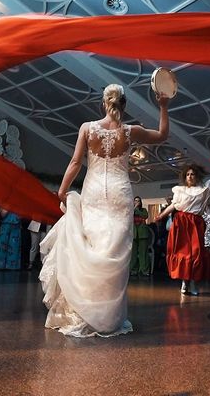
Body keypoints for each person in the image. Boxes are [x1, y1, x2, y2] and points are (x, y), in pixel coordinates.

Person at [39, 84, 169, 337]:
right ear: (124, 105)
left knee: (93, 247)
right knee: (115, 252)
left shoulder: (88, 128)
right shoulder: (132, 131)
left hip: (94, 193)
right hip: (120, 195)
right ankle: (108, 317)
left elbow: (76, 162)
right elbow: (162, 135)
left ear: (103, 103)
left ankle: (85, 310)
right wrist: (163, 106)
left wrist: (62, 190)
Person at [155, 163, 210, 296]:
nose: (190, 176)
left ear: (196, 176)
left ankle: (192, 282)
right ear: (185, 177)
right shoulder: (180, 190)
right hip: (181, 223)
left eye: (192, 174)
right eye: (187, 174)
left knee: (195, 253)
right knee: (183, 253)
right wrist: (161, 215)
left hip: (195, 223)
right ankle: (185, 282)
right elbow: (173, 206)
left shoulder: (205, 188)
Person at [130, 196, 150, 277]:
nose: (137, 202)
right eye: (135, 200)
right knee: (133, 254)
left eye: (138, 201)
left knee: (143, 253)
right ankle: (134, 270)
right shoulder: (131, 210)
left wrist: (137, 209)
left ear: (141, 202)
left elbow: (145, 216)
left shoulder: (143, 210)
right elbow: (128, 217)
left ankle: (144, 270)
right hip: (134, 234)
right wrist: (134, 209)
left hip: (143, 234)